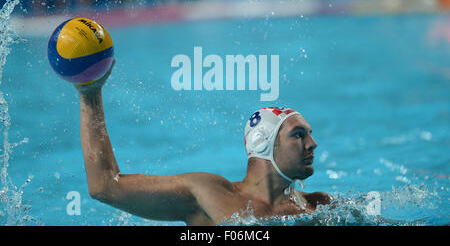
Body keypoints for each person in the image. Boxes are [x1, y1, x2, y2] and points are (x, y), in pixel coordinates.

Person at [75, 60, 331, 225]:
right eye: (298, 134)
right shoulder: (207, 193)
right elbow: (105, 186)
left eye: (309, 134)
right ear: (261, 142)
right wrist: (90, 95)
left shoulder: (317, 206)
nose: (313, 143)